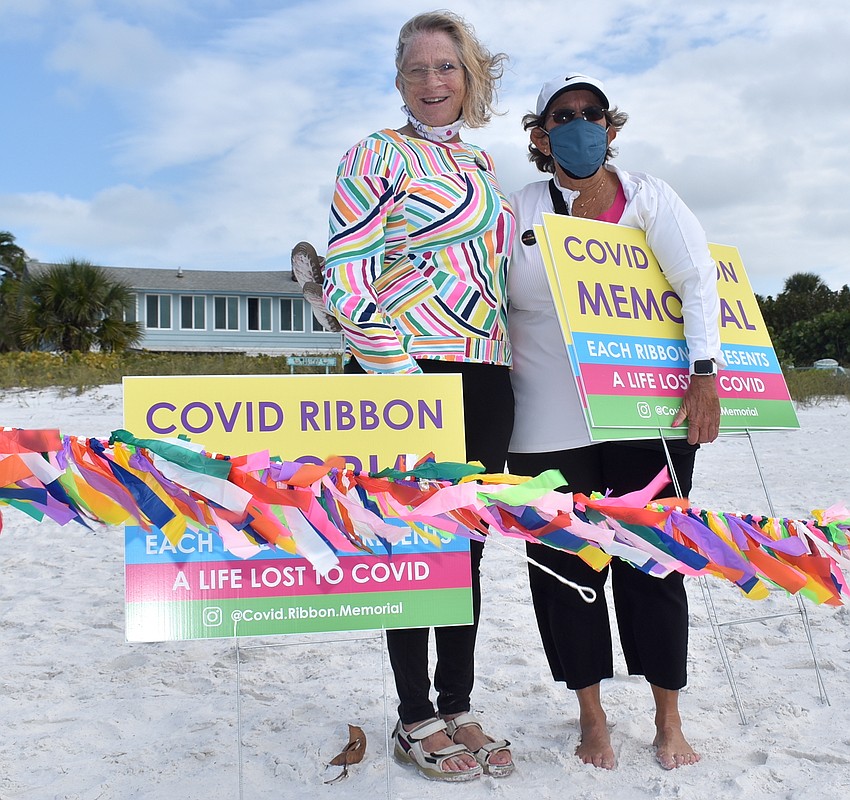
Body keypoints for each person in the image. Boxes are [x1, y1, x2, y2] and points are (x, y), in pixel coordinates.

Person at [507, 73, 723, 771]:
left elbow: (697, 280)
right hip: (545, 419)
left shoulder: (650, 197)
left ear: (610, 127)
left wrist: (704, 373)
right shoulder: (517, 209)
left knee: (652, 562)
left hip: (643, 412)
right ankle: (592, 717)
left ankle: (668, 718)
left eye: (591, 113)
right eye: (562, 116)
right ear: (542, 136)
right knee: (565, 570)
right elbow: (484, 296)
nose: (579, 124)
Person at [322, 11, 515, 782]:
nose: (432, 82)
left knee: (465, 548)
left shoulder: (484, 166)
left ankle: (458, 704)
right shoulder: (374, 154)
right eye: (416, 69)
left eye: (446, 67)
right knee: (406, 547)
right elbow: (347, 280)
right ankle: (414, 716)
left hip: (487, 375)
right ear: (398, 80)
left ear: (470, 76)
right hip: (402, 376)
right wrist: (405, 388)